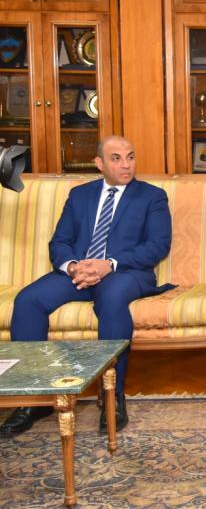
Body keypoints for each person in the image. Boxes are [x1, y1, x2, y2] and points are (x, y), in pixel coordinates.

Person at [0, 136, 172, 437]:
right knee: (28, 300)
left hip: (125, 272)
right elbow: (60, 242)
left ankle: (112, 396)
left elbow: (157, 245)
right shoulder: (80, 195)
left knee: (113, 298)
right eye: (116, 158)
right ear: (99, 163)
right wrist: (72, 266)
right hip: (78, 273)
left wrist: (110, 264)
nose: (126, 164)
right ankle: (34, 400)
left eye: (130, 157)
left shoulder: (152, 196)